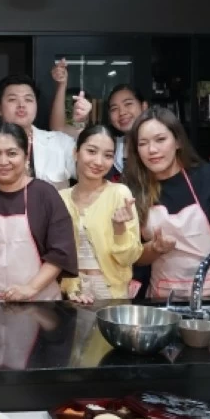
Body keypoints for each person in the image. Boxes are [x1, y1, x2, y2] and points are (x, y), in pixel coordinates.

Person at [126, 108, 210, 301]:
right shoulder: (134, 191)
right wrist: (155, 248)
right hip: (166, 297)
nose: (152, 150)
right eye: (143, 143)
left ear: (177, 141)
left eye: (160, 140)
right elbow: (132, 255)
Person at [0, 123, 77, 302]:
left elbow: (60, 253)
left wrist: (30, 288)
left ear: (26, 156)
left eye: (12, 153)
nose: (3, 161)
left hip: (38, 303)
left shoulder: (45, 194)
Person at [58, 125, 144, 303]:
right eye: (91, 151)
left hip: (112, 296)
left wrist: (119, 230)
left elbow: (130, 257)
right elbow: (56, 255)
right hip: (74, 296)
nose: (98, 162)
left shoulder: (120, 194)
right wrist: (71, 289)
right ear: (76, 153)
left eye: (108, 155)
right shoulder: (60, 198)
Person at [0, 75, 77, 188]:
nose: (21, 105)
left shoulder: (61, 144)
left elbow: (90, 177)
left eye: (28, 99)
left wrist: (80, 124)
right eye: (12, 99)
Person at [47, 58, 94, 138]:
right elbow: (58, 130)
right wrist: (62, 84)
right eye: (67, 112)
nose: (73, 112)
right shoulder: (63, 136)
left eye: (79, 108)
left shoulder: (96, 135)